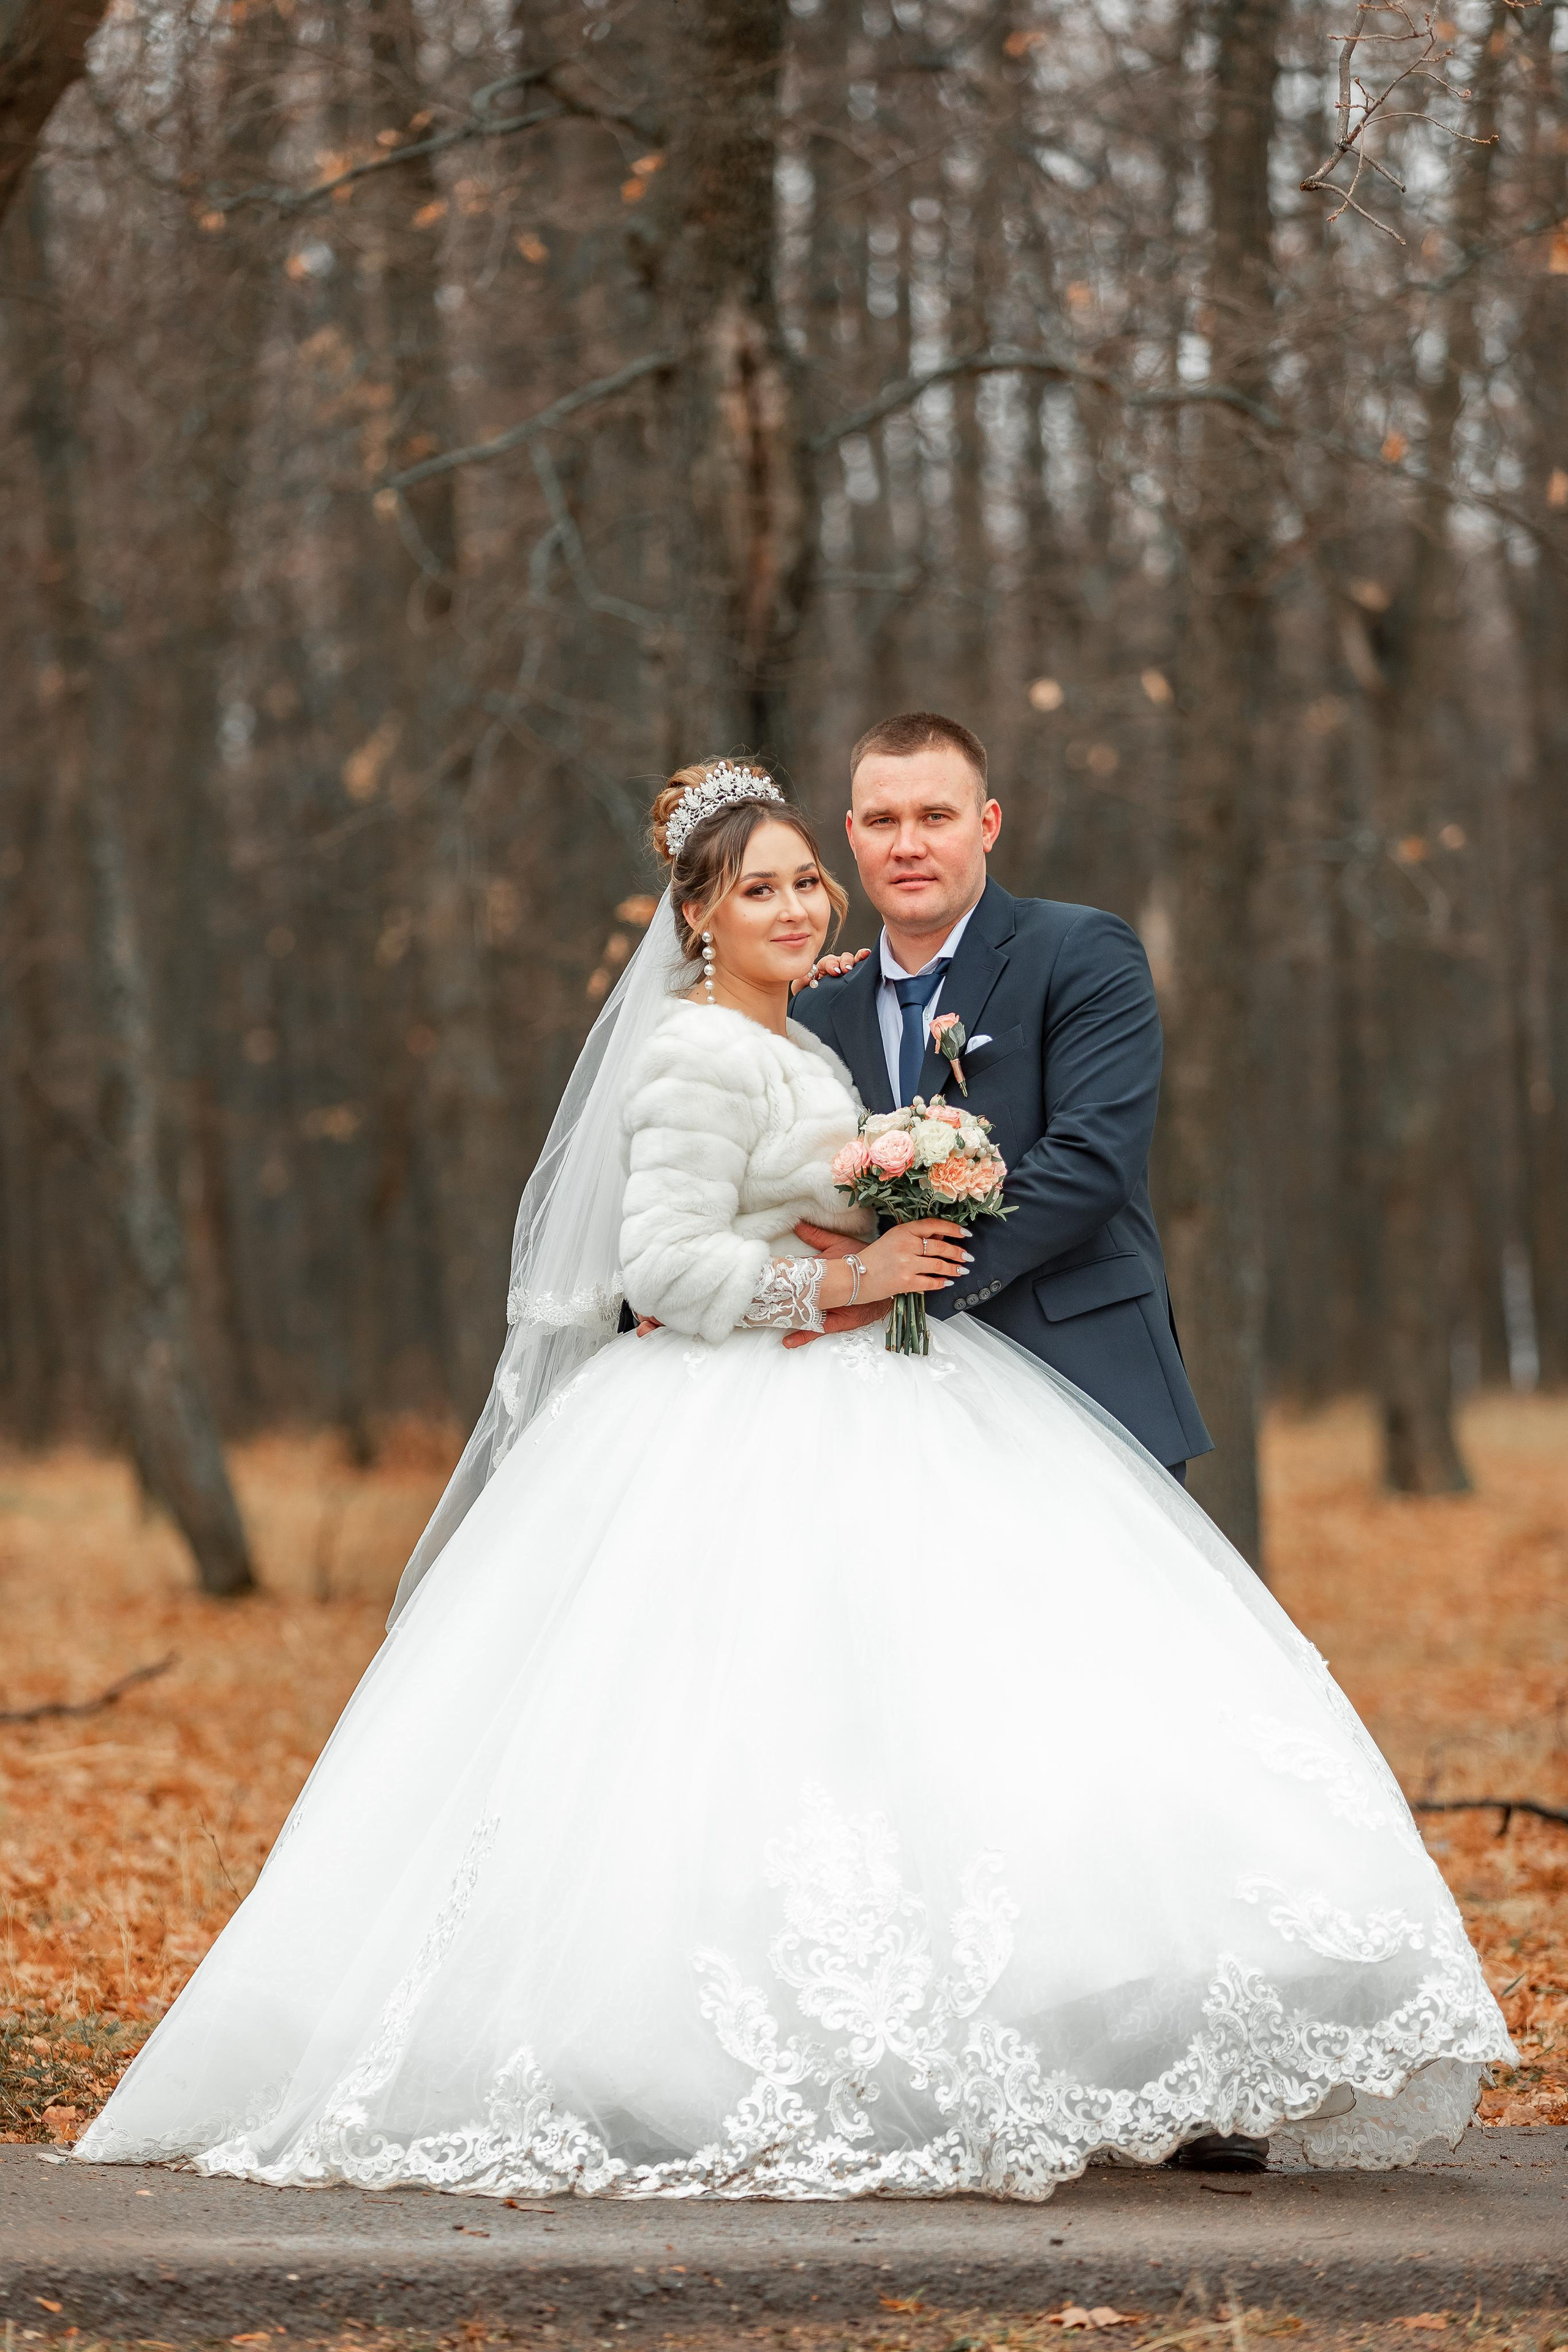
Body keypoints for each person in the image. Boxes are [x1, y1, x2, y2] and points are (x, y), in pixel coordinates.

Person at [75, 760, 1509, 2201]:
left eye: (801, 881)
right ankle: (695, 2056)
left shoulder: (809, 1034)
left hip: (891, 1391)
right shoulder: (700, 1053)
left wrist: (882, 1228)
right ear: (695, 917)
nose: (796, 902)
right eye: (757, 886)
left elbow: (918, 1175)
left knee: (959, 1721)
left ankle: (1039, 2038)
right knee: (736, 1738)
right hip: (748, 1412)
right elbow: (661, 1264)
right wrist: (849, 1280)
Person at [789, 711, 1210, 1485]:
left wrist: (901, 1282)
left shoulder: (1080, 952)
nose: (906, 845)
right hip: (878, 1419)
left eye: (934, 817)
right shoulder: (815, 1008)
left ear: (986, 825)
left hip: (1077, 1383)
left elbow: (1089, 1162)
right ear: (851, 836)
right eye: (882, 821)